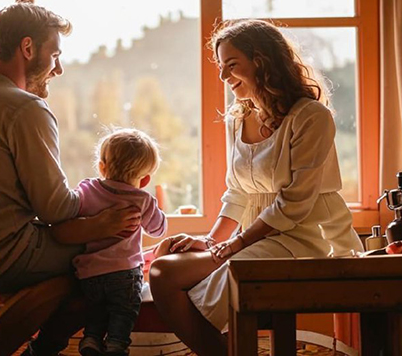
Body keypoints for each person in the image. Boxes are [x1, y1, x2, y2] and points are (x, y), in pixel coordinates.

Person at [0, 1, 141, 356]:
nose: (59, 68)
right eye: (55, 54)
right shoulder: (25, 107)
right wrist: (106, 201)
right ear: (27, 48)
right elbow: (56, 209)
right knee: (110, 265)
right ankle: (46, 350)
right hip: (2, 262)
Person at [149, 19, 363, 356]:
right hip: (255, 236)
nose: (223, 77)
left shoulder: (310, 117)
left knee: (226, 276)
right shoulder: (238, 118)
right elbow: (237, 191)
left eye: (231, 65)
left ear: (261, 61)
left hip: (306, 238)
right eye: (221, 67)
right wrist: (212, 241)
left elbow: (294, 204)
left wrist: (234, 246)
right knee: (163, 271)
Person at [66, 128, 167, 356]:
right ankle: (116, 345)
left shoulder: (87, 189)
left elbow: (70, 213)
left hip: (89, 271)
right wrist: (157, 209)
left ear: (102, 167)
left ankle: (91, 338)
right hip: (124, 273)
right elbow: (158, 229)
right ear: (145, 179)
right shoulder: (142, 199)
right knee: (124, 310)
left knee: (96, 309)